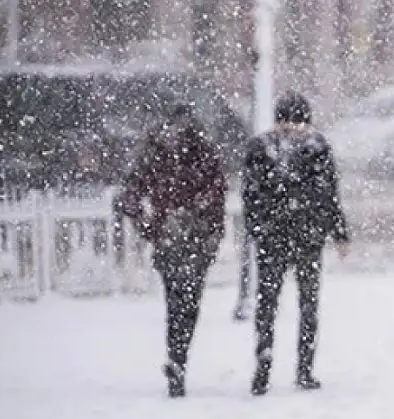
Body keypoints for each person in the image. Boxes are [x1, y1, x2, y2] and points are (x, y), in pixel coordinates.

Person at [115, 103, 227, 397]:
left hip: (176, 235)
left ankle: (176, 358)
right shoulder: (198, 152)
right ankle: (178, 357)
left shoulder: (158, 152)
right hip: (188, 235)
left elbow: (130, 194)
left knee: (177, 301)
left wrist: (149, 223)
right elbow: (217, 196)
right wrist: (212, 231)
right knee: (186, 302)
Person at [242, 92, 349, 396]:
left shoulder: (262, 148)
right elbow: (328, 195)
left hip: (279, 239)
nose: (292, 130)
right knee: (303, 304)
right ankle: (299, 368)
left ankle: (269, 366)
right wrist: (337, 231)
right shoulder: (315, 147)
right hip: (304, 238)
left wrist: (260, 228)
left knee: (272, 304)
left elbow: (252, 195)